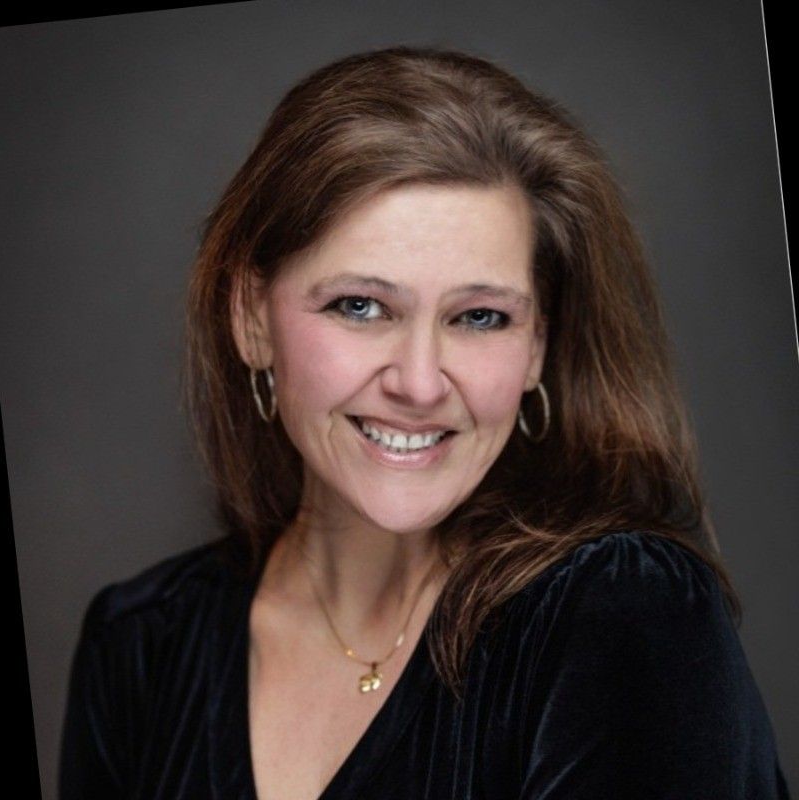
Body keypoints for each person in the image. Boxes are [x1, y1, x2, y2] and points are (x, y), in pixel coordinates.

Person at [58, 45, 791, 799]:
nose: (418, 382)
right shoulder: (139, 647)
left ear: (537, 345)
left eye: (479, 317)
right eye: (361, 306)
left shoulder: (622, 616)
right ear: (251, 317)